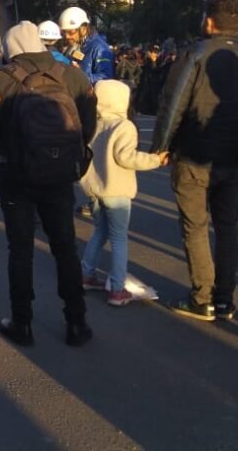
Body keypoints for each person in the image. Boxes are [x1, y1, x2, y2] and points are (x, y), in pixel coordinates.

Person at [151, 0, 238, 321]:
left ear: (208, 20)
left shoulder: (195, 54)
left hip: (194, 154)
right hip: (232, 158)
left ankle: (202, 298)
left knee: (195, 226)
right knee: (227, 226)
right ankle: (224, 299)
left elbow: (174, 104)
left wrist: (161, 145)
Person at [0, 21, 97, 346]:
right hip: (59, 174)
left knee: (21, 248)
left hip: (16, 173)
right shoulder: (72, 75)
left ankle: (22, 322)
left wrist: (14, 144)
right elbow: (88, 124)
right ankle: (76, 322)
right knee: (65, 247)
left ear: (10, 48)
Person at [80, 80, 168, 306]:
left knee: (99, 231)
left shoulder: (93, 124)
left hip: (95, 189)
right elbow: (126, 158)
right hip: (117, 191)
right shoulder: (123, 126)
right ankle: (117, 289)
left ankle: (86, 275)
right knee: (119, 238)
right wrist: (156, 160)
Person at [58, 6, 114, 84]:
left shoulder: (99, 48)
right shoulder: (76, 44)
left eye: (71, 32)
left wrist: (80, 75)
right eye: (64, 32)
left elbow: (106, 78)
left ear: (83, 28)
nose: (67, 36)